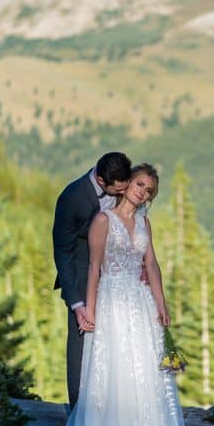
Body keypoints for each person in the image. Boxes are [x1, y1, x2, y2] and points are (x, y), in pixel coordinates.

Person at [63, 164, 189, 426]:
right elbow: (94, 268)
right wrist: (89, 311)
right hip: (112, 301)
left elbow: (152, 264)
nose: (143, 191)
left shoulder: (145, 223)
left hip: (140, 302)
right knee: (116, 367)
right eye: (140, 184)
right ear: (128, 182)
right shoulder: (103, 220)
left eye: (149, 190)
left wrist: (161, 304)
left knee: (143, 367)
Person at [52, 152, 132, 409]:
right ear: (100, 179)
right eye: (117, 189)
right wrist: (76, 304)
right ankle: (79, 412)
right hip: (82, 277)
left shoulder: (125, 183)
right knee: (80, 349)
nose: (123, 192)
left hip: (119, 276)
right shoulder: (72, 197)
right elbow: (62, 252)